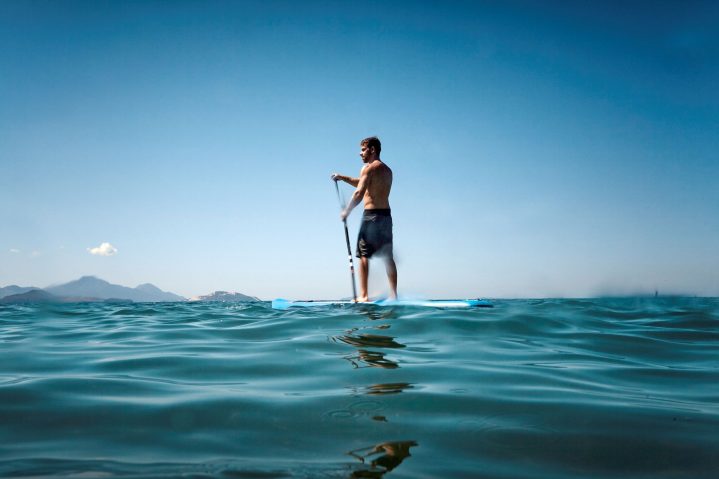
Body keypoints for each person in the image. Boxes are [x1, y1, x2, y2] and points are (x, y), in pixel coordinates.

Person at [332, 136, 397, 302]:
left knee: (363, 255)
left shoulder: (368, 168)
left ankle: (364, 295)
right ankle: (394, 296)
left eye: (363, 149)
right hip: (386, 217)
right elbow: (363, 184)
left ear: (372, 150)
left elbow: (359, 193)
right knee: (388, 256)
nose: (360, 153)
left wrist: (347, 211)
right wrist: (342, 177)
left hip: (371, 216)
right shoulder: (387, 170)